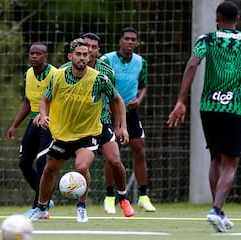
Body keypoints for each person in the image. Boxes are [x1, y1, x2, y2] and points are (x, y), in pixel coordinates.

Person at [167, 1, 241, 233]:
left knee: (215, 157)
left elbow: (193, 63)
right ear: (238, 19)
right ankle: (216, 209)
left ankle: (219, 212)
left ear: (217, 18)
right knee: (230, 163)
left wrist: (181, 100)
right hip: (233, 108)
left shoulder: (207, 39)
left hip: (208, 106)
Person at [28, 38, 129, 223]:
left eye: (86, 54)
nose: (83, 58)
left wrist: (122, 127)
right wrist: (43, 115)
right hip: (63, 134)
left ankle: (81, 207)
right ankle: (41, 207)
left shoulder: (99, 78)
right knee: (49, 170)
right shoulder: (58, 76)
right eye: (78, 54)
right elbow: (45, 99)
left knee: (81, 167)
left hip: (88, 133)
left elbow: (117, 100)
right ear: (70, 56)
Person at [59, 32, 134, 217]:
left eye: (94, 47)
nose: (90, 51)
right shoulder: (64, 70)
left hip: (101, 122)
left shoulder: (105, 71)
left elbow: (115, 100)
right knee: (58, 165)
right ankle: (48, 206)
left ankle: (123, 198)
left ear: (98, 50)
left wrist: (120, 126)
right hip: (75, 126)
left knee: (115, 160)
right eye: (87, 47)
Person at [100, 27, 156, 212]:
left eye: (133, 39)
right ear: (120, 41)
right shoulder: (107, 60)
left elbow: (144, 85)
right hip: (110, 111)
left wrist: (138, 100)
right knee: (112, 154)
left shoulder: (141, 62)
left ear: (137, 43)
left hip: (131, 113)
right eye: (127, 39)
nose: (130, 42)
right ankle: (110, 197)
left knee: (140, 149)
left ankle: (143, 196)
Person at [6, 42, 57, 218]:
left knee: (43, 164)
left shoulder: (55, 74)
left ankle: (39, 206)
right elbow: (28, 102)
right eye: (31, 53)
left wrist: (48, 116)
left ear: (45, 57)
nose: (34, 56)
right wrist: (14, 125)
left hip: (50, 122)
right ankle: (46, 199)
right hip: (33, 122)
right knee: (24, 163)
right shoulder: (28, 74)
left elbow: (61, 101)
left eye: (38, 54)